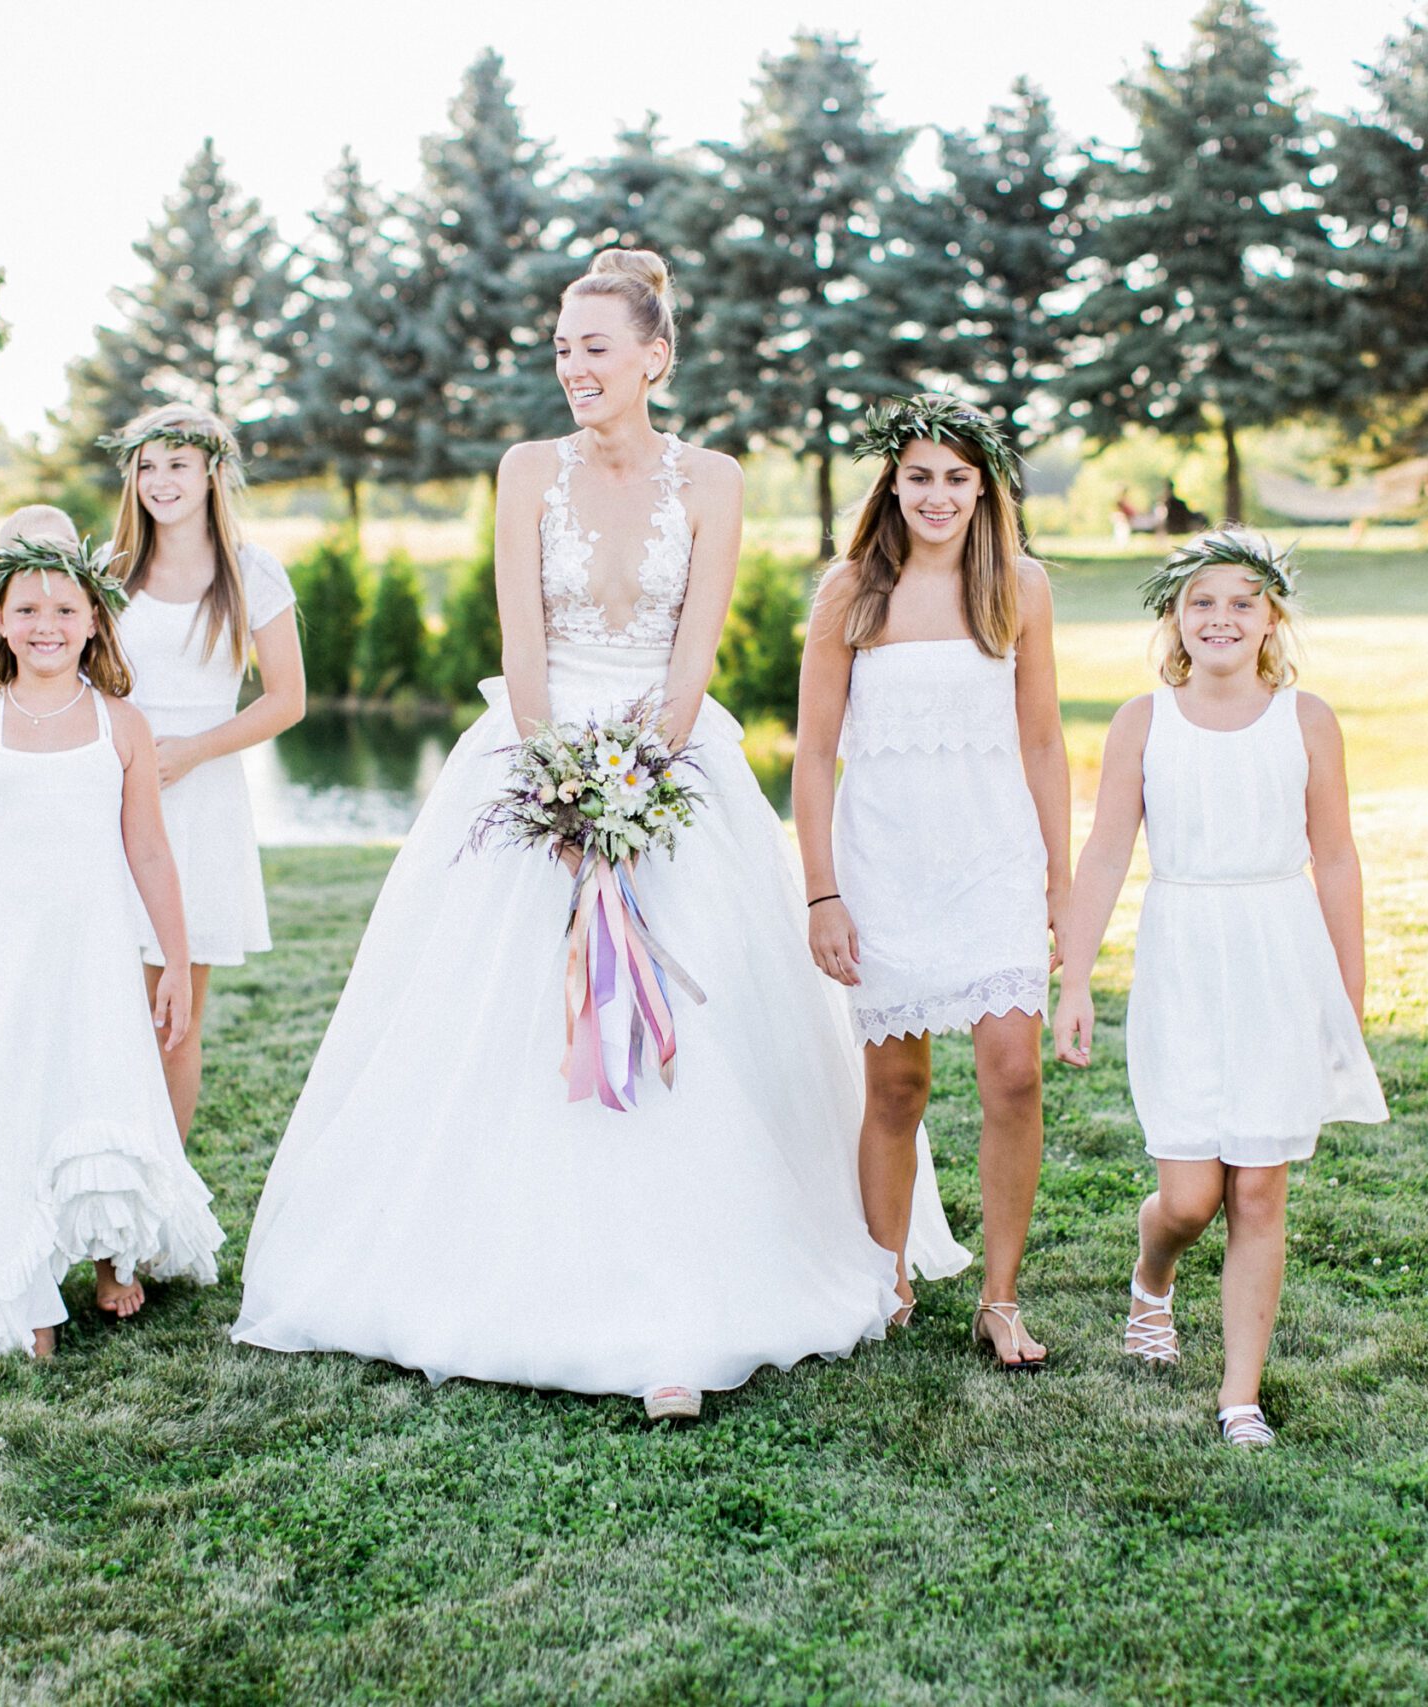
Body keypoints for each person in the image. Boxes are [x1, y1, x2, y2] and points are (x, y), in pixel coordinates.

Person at [231, 249, 962, 1422]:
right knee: (500, 1020)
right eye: (563, 348)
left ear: (654, 358)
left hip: (671, 761)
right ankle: (493, 1273)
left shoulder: (712, 480)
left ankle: (692, 1294)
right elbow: (521, 642)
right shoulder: (525, 469)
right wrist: (562, 789)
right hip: (537, 755)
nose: (573, 366)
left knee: (707, 1033)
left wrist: (639, 784)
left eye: (595, 348)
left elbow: (694, 651)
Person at [1052, 529, 1388, 1447]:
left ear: (1274, 615)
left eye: (1244, 600)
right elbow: (1107, 850)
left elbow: (1338, 859)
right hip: (1184, 956)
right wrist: (1075, 977)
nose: (1222, 618)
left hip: (1279, 954)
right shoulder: (1142, 721)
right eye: (1202, 601)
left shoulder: (1306, 718)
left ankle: (1240, 1394)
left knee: (1260, 1190)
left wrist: (1345, 999)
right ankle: (1152, 1274)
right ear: (1175, 617)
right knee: (1193, 1195)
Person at [0, 510, 224, 1358]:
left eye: (64, 610)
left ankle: (115, 1257)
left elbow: (150, 850)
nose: (45, 625)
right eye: (26, 609)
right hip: (0, 954)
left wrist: (171, 958)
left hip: (92, 948)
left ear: (93, 620)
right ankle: (25, 1278)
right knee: (12, 1094)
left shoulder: (121, 725)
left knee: (102, 1081)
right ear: (0, 621)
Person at [793, 393, 1064, 1367]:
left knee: (1013, 1071)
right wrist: (822, 892)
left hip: (991, 857)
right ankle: (886, 1276)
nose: (938, 496)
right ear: (893, 485)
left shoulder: (1018, 586)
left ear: (982, 486)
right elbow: (814, 753)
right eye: (920, 478)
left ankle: (999, 1297)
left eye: (956, 478)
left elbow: (1041, 740)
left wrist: (1057, 886)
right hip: (883, 865)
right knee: (897, 1086)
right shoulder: (851, 590)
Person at [102, 402, 306, 1139]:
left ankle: (164, 1188)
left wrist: (193, 750)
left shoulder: (251, 571)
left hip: (203, 800)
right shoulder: (110, 570)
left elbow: (287, 699)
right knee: (107, 1005)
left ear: (213, 473)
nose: (160, 481)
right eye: (147, 466)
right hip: (114, 800)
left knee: (175, 1016)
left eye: (177, 464)